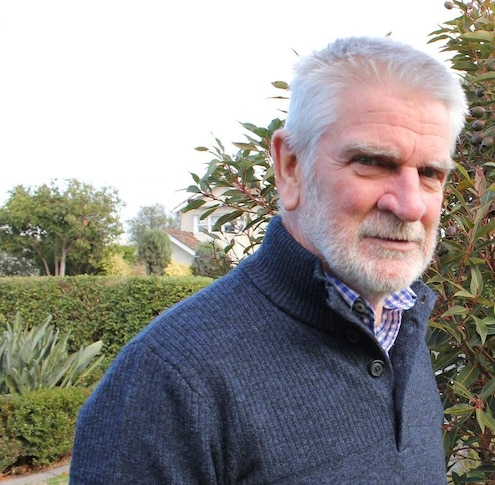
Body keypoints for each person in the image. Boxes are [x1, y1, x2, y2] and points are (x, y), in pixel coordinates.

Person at [70, 36, 467, 483]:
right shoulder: (171, 379)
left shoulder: (401, 331)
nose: (411, 205)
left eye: (431, 173)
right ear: (290, 167)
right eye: (372, 162)